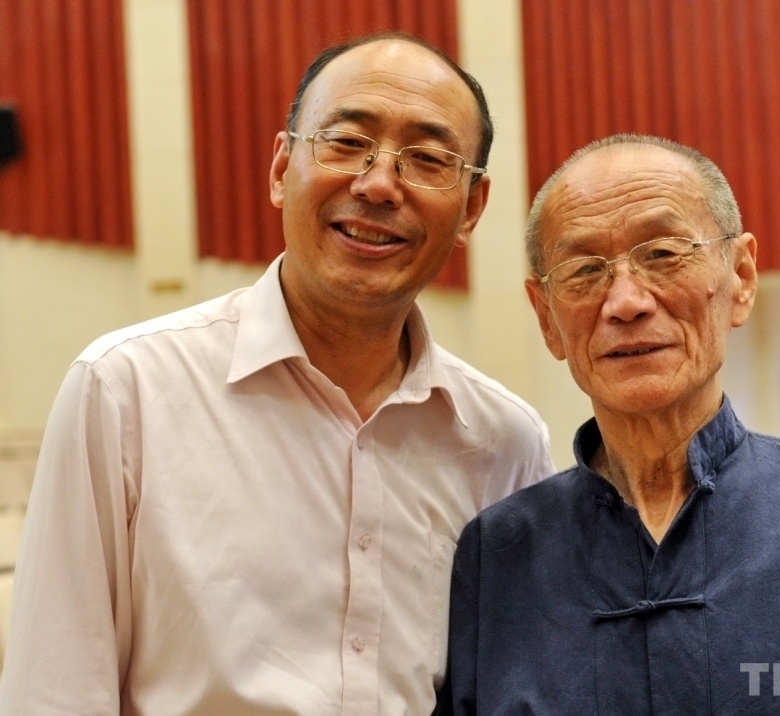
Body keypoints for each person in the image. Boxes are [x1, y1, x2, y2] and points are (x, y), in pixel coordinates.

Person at [0, 33, 554, 714]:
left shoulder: (504, 442)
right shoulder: (126, 392)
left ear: (470, 208)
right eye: (346, 142)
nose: (379, 185)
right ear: (281, 167)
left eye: (428, 159)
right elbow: (54, 691)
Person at [438, 134, 780, 714]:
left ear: (740, 277)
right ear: (547, 318)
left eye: (662, 253)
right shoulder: (500, 552)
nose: (625, 302)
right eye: (584, 270)